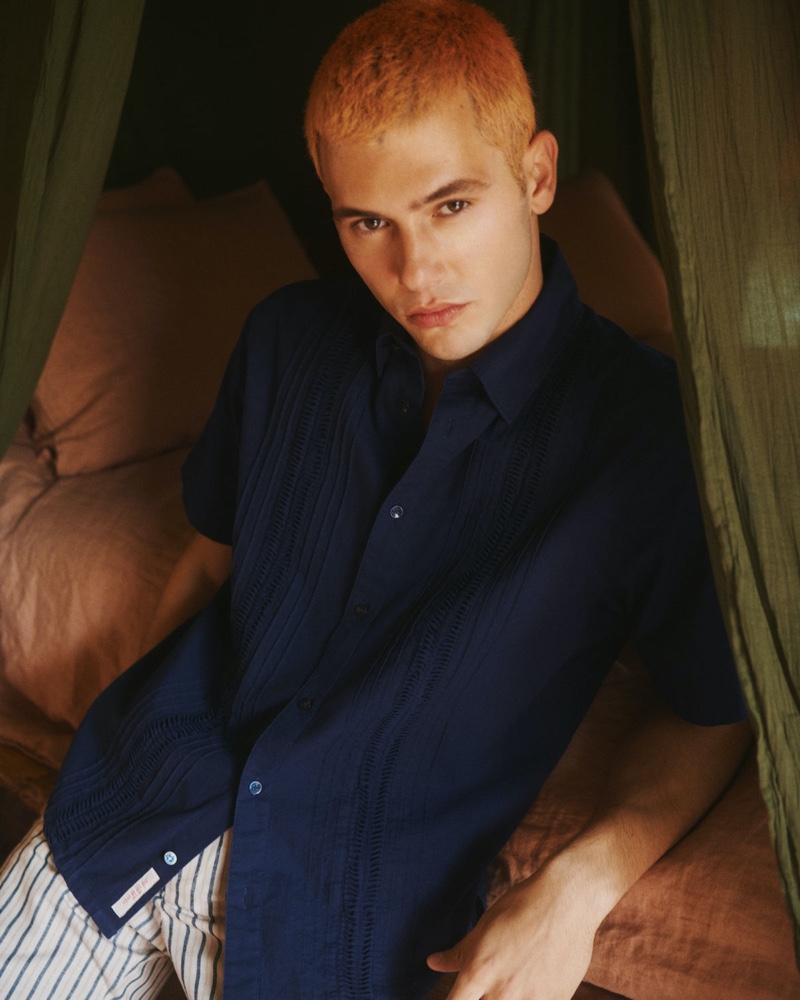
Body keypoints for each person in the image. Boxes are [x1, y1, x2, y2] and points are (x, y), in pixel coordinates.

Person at [0, 1, 750, 998]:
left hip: (334, 924)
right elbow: (206, 562)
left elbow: (710, 709)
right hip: (119, 831)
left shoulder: (646, 429)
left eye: (449, 205)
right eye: (367, 223)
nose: (413, 270)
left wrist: (575, 889)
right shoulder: (285, 342)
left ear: (535, 175)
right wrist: (129, 732)